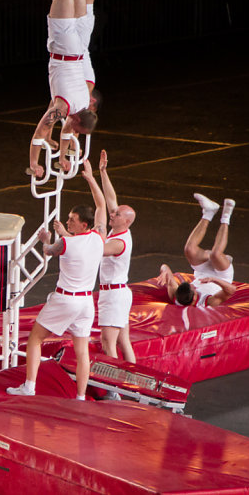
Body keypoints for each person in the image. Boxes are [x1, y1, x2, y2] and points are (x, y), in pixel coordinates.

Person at [7, 160, 106, 400]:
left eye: (72, 220)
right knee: (82, 351)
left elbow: (50, 250)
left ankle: (29, 386)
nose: (68, 222)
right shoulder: (98, 238)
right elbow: (101, 204)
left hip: (65, 299)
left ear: (83, 224)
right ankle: (80, 397)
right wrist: (92, 178)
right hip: (85, 303)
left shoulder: (66, 242)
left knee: (35, 339)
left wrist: (45, 238)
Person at [26, 0, 100, 178]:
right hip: (65, 47)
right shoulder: (63, 109)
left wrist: (68, 156)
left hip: (80, 46)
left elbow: (66, 132)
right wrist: (34, 161)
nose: (70, 131)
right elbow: (41, 131)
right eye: (76, 129)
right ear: (79, 119)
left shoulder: (83, 100)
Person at [96, 150, 136, 366]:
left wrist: (69, 238)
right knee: (123, 341)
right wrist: (103, 172)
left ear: (126, 221)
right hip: (118, 293)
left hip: (114, 295)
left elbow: (97, 248)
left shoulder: (119, 242)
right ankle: (134, 383)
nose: (112, 214)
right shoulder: (119, 228)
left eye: (117, 215)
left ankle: (114, 388)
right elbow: (111, 200)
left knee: (108, 342)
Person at [158, 265, 237, 308]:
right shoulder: (208, 301)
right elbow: (232, 289)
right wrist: (214, 279)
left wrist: (164, 271)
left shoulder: (175, 297)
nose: (193, 285)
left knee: (190, 250)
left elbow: (164, 266)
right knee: (216, 254)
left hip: (202, 273)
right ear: (194, 298)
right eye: (194, 288)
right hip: (221, 277)